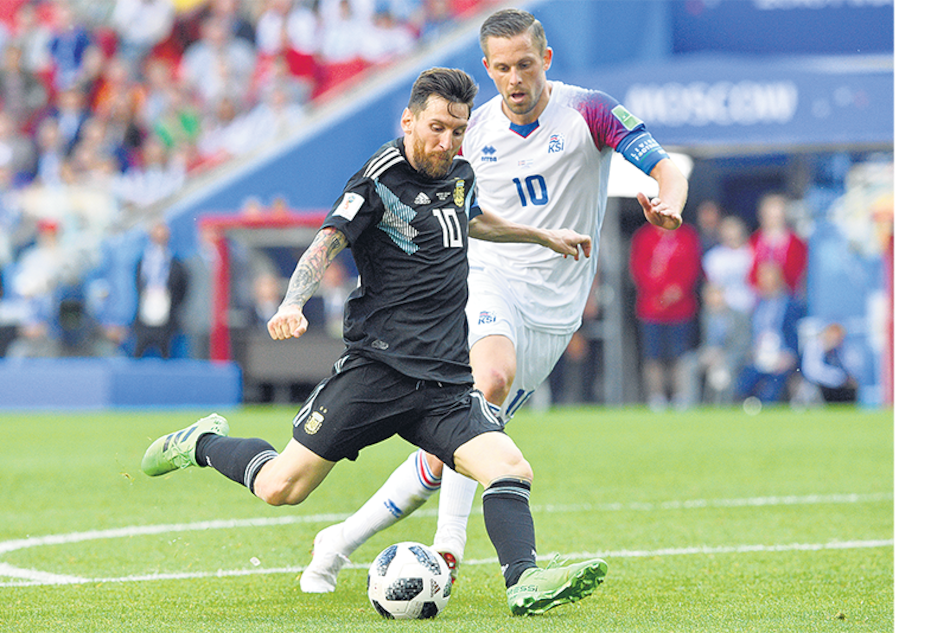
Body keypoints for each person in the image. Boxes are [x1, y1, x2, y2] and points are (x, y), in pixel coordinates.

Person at [140, 67, 607, 616]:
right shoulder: (379, 178)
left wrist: (541, 234)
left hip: (444, 383)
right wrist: (293, 302)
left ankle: (524, 581)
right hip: (377, 373)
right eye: (436, 127)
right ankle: (200, 443)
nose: (447, 141)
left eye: (457, 130)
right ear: (408, 120)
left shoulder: (459, 172)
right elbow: (325, 244)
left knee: (510, 467)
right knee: (281, 488)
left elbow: (473, 219)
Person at [300, 8, 687, 594]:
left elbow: (664, 167)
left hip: (556, 309)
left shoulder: (589, 111)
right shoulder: (469, 130)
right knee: (491, 381)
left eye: (525, 65)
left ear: (546, 60)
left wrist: (669, 202)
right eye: (503, 68)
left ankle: (339, 541)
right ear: (488, 67)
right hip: (489, 279)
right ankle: (448, 549)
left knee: (458, 447)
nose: (515, 79)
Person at [629, 219, 702, 410]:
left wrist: (678, 289)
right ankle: (656, 397)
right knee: (653, 355)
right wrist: (658, 291)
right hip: (651, 307)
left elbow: (692, 266)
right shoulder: (644, 236)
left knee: (680, 354)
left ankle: (681, 396)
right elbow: (638, 268)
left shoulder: (687, 235)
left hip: (681, 307)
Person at [734, 262, 805, 405]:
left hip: (782, 357)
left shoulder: (791, 305)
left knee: (770, 394)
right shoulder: (758, 304)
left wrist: (790, 355)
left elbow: (796, 334)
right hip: (759, 356)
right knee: (741, 388)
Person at [132, 221, 189, 358]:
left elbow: (182, 289)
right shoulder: (142, 261)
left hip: (166, 317)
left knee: (166, 352)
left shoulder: (175, 263)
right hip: (145, 314)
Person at [801, 322, 858, 404]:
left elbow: (852, 366)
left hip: (841, 384)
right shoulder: (814, 346)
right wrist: (837, 377)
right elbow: (812, 371)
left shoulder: (842, 348)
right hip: (820, 384)